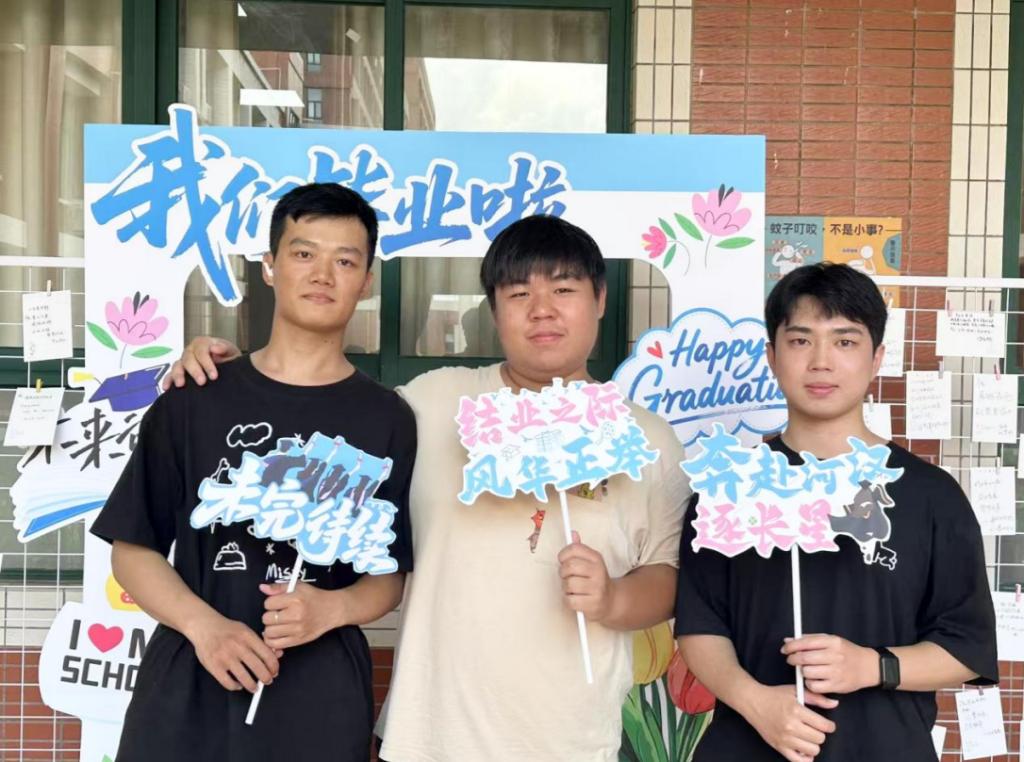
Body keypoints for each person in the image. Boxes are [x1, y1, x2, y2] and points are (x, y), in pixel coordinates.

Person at [167, 214, 690, 761]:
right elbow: (326, 415)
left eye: (564, 290)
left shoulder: (648, 439)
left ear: (600, 299)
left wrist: (613, 598)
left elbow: (667, 575)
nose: (542, 310)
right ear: (494, 311)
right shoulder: (433, 402)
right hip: (427, 738)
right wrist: (239, 375)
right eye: (518, 293)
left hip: (571, 742)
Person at [91, 183, 416, 762]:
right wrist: (205, 627)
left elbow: (388, 576)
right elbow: (132, 549)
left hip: (318, 693)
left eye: (345, 261)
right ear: (270, 266)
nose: (323, 274)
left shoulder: (386, 417)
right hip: (189, 683)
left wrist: (333, 608)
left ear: (366, 282)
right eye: (303, 253)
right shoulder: (196, 396)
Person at [674, 262, 998, 762]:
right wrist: (757, 703)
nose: (821, 361)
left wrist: (872, 666)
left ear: (877, 358)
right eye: (800, 340)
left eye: (845, 341)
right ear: (772, 356)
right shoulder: (728, 487)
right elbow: (701, 626)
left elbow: (966, 648)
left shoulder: (932, 495)